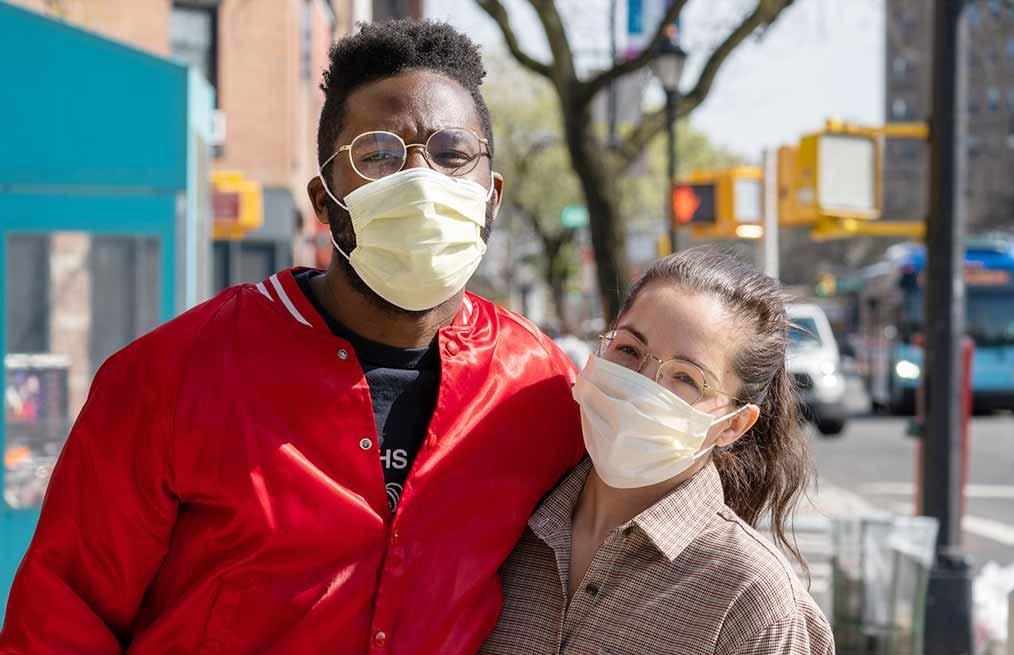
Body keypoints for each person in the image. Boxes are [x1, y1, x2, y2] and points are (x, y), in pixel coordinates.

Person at [0, 20, 583, 654]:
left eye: (452, 154)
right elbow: (60, 617)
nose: (422, 182)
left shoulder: (542, 389)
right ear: (325, 201)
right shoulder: (172, 376)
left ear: (491, 197)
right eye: (378, 155)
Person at [482, 247, 834, 655]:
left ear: (734, 424)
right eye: (629, 350)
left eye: (686, 377)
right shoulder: (505, 529)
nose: (643, 385)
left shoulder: (751, 600)